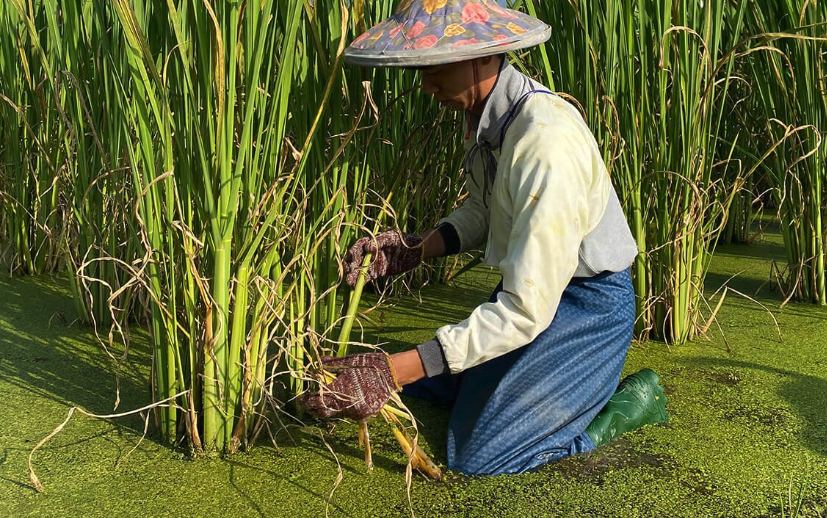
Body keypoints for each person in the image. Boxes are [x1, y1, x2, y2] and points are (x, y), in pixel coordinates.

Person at [301, 0, 668, 476]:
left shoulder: (546, 145)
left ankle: (620, 409)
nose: (428, 87)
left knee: (481, 456)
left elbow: (524, 311)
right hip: (538, 296)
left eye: (437, 69)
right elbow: (485, 207)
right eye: (422, 70)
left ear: (483, 56)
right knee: (436, 385)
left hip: (587, 306)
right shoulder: (494, 118)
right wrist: (415, 248)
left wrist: (392, 370)